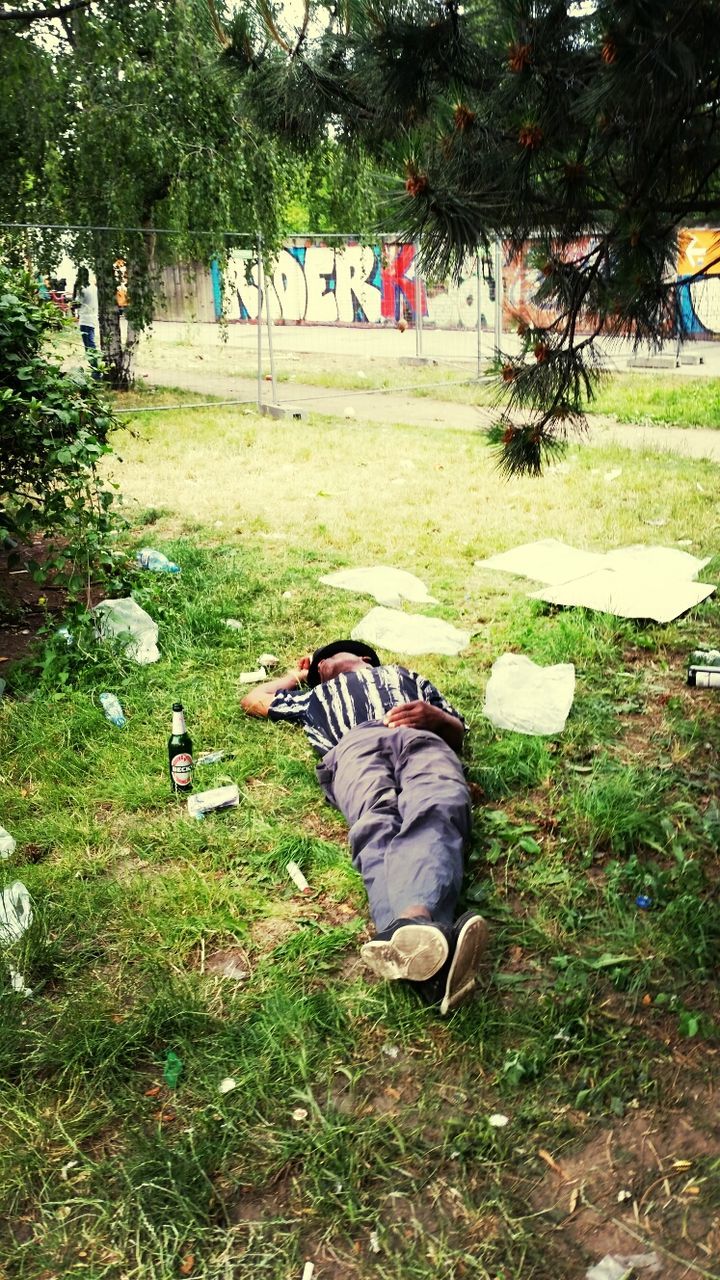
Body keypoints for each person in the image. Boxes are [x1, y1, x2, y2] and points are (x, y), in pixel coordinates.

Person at [241, 640, 488, 1015]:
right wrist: (298, 674)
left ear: (364, 658)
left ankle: (413, 942)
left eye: (328, 658)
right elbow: (255, 700)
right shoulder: (317, 696)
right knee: (375, 820)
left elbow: (459, 730)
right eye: (317, 665)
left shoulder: (405, 677)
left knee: (440, 803)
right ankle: (422, 932)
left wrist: (434, 718)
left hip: (422, 738)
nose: (322, 666)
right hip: (353, 749)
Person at [72, 267, 101, 379]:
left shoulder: (82, 289)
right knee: (91, 344)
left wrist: (75, 289)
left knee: (89, 346)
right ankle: (96, 369)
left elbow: (76, 304)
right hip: (93, 317)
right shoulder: (93, 287)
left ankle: (96, 371)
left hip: (85, 319)